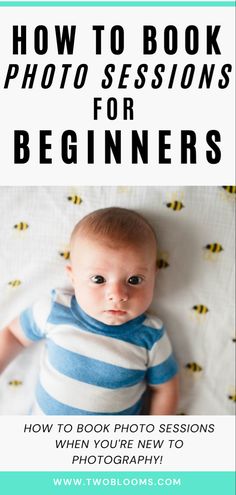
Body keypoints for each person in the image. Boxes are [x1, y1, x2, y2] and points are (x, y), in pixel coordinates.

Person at [0, 207, 178, 415]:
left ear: (154, 277)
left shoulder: (150, 336)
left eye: (134, 280)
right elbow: (14, 335)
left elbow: (165, 388)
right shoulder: (55, 310)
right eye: (98, 279)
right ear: (73, 277)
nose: (117, 295)